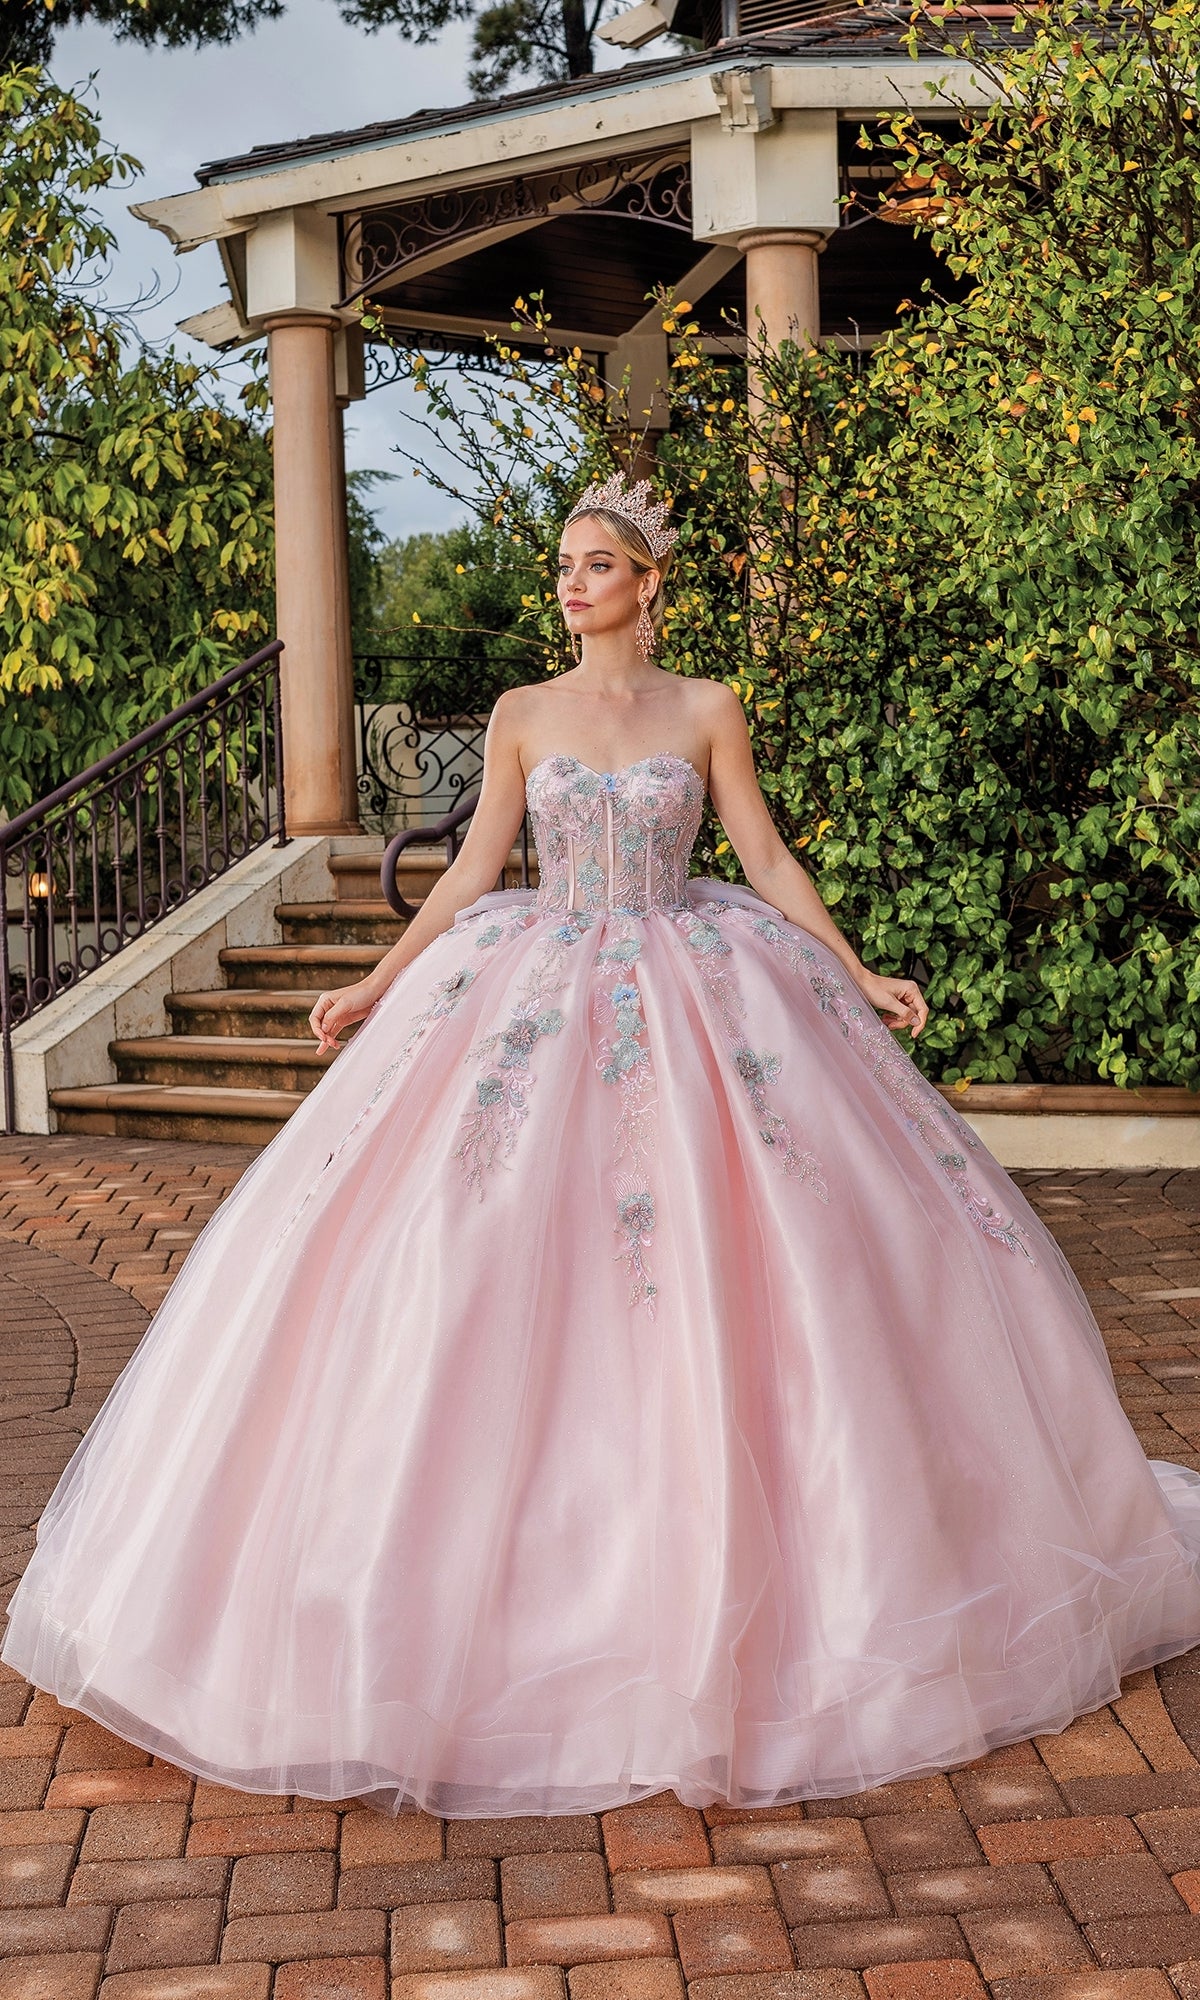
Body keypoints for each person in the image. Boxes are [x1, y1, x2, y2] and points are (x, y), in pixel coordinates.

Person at [4, 470, 1200, 1821]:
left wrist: (853, 974)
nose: (569, 582)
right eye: (563, 563)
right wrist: (379, 983)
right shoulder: (522, 715)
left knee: (763, 1251)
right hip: (536, 983)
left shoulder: (706, 709)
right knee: (465, 1246)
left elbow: (762, 856)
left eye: (595, 564)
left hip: (705, 981)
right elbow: (470, 876)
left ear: (648, 583)